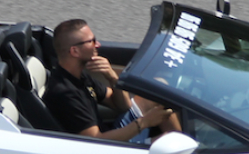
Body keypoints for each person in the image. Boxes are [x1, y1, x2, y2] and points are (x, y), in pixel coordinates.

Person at [43, 19, 179, 141]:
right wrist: (145, 122)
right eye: (92, 41)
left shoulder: (79, 77)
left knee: (158, 89)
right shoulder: (66, 93)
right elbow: (96, 141)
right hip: (110, 147)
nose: (98, 44)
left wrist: (112, 77)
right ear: (75, 51)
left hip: (111, 132)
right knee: (169, 142)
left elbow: (123, 105)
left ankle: (185, 144)